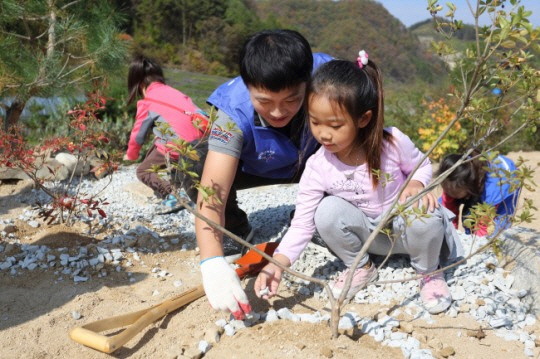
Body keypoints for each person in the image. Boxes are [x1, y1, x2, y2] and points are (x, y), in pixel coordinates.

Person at [254, 52, 463, 315]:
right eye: (315, 122)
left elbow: (422, 165)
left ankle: (429, 272)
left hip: (406, 231)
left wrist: (416, 185)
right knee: (325, 210)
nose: (323, 133)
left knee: (427, 211)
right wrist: (276, 265)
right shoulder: (319, 165)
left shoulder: (392, 143)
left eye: (335, 125)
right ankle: (361, 267)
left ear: (363, 119)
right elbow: (302, 224)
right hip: (368, 238)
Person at [196, 29, 332, 320]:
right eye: (265, 102)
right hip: (255, 166)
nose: (279, 111)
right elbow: (212, 194)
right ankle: (235, 230)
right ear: (247, 87)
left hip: (311, 162)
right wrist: (212, 262)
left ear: (308, 82)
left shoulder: (329, 79)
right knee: (194, 160)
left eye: (292, 99)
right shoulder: (232, 112)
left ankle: (318, 217)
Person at [124, 54, 208, 208]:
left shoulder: (148, 101)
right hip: (201, 142)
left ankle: (174, 195)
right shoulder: (175, 92)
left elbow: (138, 135)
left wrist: (131, 155)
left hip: (179, 146)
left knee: (143, 171)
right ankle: (178, 185)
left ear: (139, 84)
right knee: (160, 142)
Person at [437, 152, 520, 236]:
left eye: (455, 193)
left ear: (468, 187)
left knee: (495, 231)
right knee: (440, 212)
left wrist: (475, 242)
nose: (451, 194)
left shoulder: (491, 190)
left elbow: (484, 225)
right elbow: (449, 211)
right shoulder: (452, 178)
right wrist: (450, 234)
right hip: (475, 183)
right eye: (447, 190)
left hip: (507, 183)